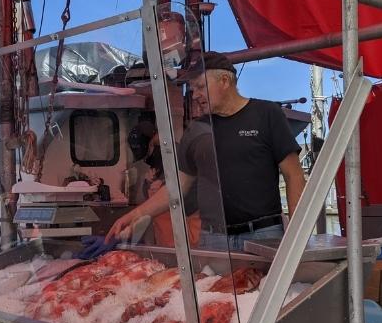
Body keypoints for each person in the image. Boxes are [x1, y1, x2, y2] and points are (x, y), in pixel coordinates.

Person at [108, 51, 307, 251]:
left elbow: (294, 175)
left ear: (224, 81)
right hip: (213, 239)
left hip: (263, 234)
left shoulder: (267, 114)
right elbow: (177, 186)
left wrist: (298, 232)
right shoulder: (197, 129)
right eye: (193, 89)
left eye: (201, 87)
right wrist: (135, 214)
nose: (195, 95)